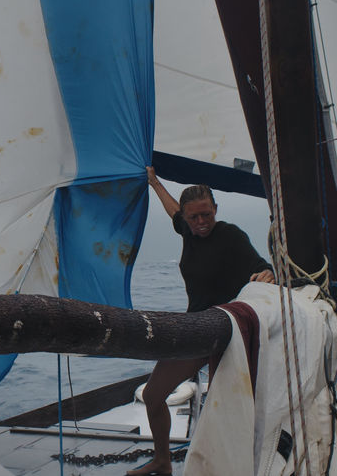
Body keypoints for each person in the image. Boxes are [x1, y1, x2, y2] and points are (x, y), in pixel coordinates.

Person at [127, 167, 274, 476]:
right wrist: (154, 182)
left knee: (231, 411)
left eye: (207, 214)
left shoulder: (230, 235)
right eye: (194, 217)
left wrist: (268, 273)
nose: (201, 221)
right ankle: (163, 461)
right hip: (196, 329)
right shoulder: (188, 231)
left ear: (215, 210)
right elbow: (173, 211)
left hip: (228, 333)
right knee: (153, 396)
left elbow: (261, 265)